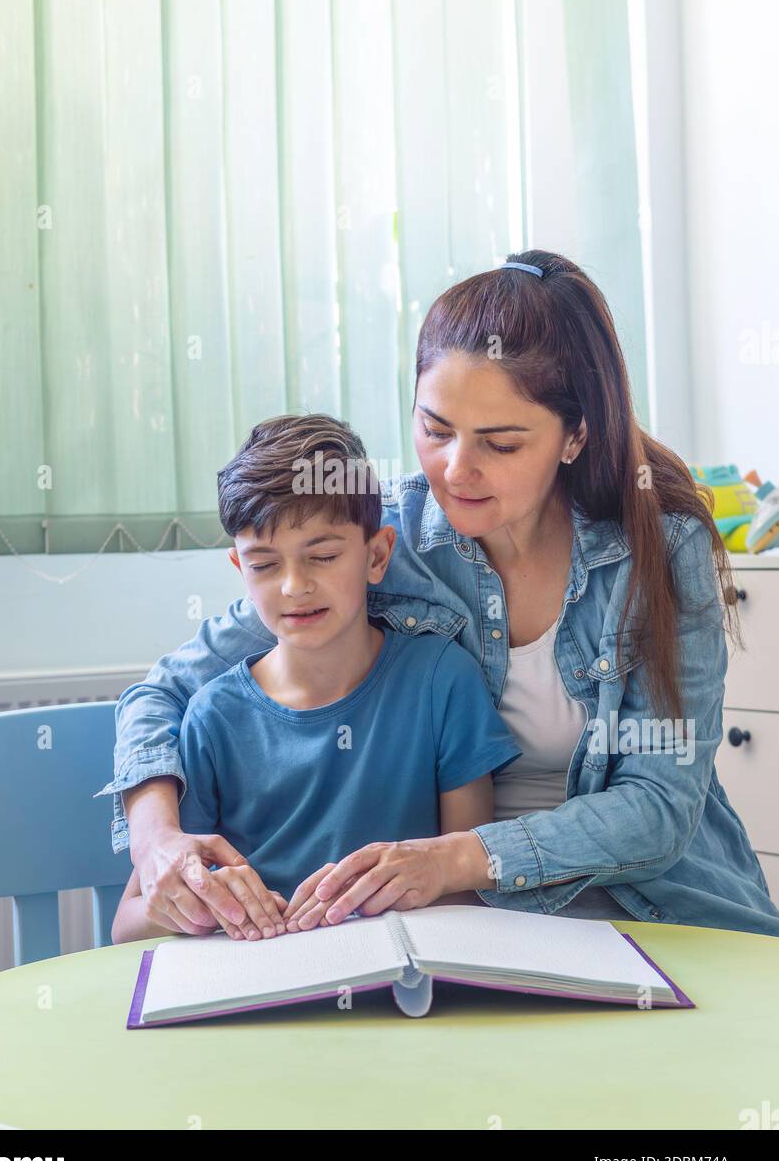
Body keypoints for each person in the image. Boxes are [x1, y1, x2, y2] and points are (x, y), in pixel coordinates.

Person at [96, 250, 779, 939]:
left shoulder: (663, 550)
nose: (456, 469)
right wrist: (156, 841)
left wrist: (455, 860)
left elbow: (657, 806)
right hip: (471, 922)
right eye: (434, 429)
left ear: (575, 435)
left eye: (501, 443)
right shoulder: (382, 538)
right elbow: (164, 692)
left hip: (656, 905)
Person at [110, 414, 522, 944]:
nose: (295, 587)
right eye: (264, 565)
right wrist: (214, 908)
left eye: (323, 556)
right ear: (239, 570)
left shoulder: (442, 681)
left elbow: (467, 889)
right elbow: (127, 924)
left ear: (377, 556)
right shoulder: (212, 716)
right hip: (256, 982)